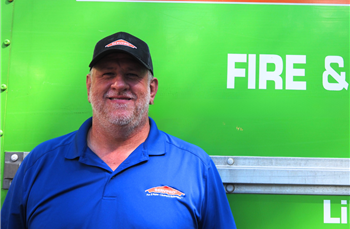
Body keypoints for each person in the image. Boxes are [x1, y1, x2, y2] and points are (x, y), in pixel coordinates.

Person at [0, 32, 237, 229]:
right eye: (107, 74)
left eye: (132, 75)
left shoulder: (195, 167)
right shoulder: (40, 163)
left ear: (152, 90)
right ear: (89, 86)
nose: (119, 84)